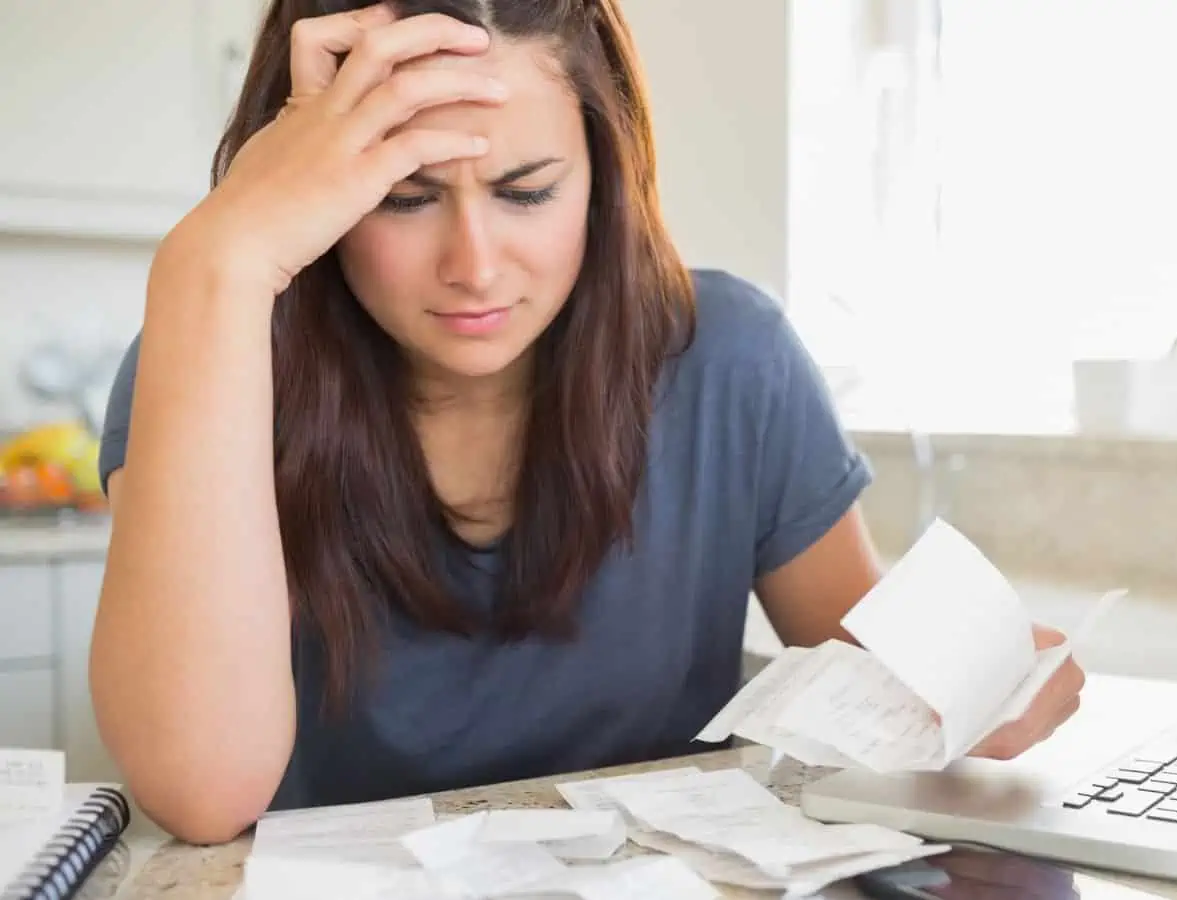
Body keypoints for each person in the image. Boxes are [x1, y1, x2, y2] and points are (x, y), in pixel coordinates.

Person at [89, 0, 1087, 845]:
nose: (475, 264)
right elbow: (201, 793)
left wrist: (981, 688)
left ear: (603, 173)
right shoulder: (214, 358)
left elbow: (874, 675)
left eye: (527, 191)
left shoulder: (729, 355)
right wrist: (215, 257)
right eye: (401, 197)